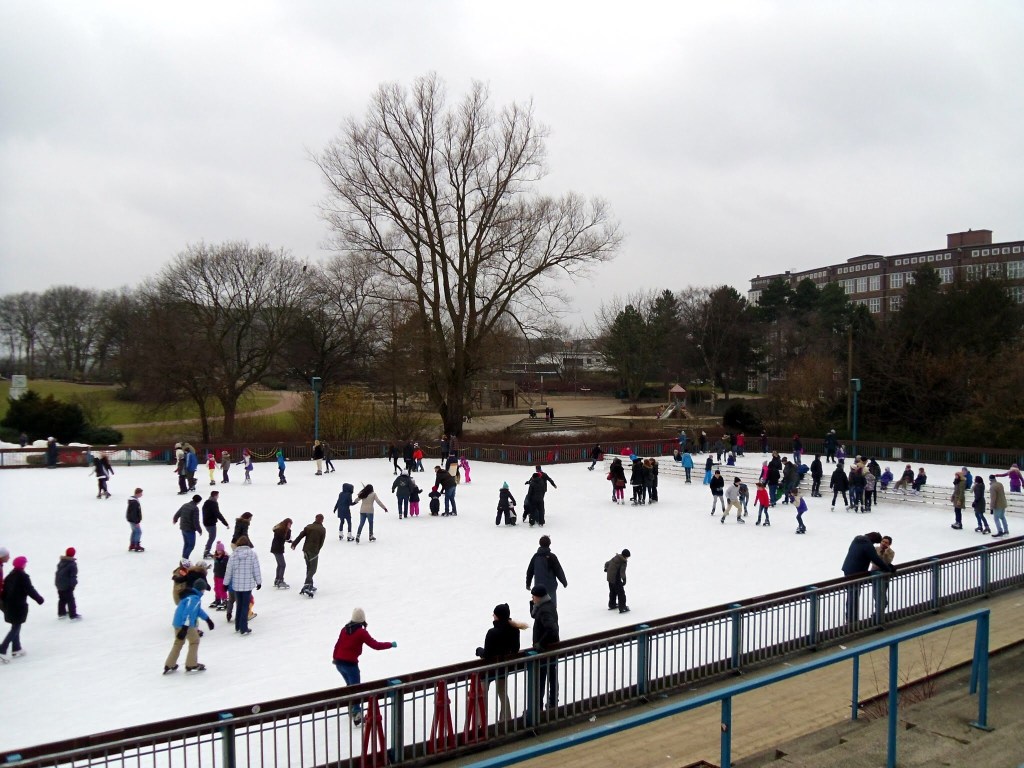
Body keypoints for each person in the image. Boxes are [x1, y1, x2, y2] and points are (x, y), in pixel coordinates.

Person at [332, 607, 397, 724]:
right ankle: (356, 714)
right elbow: (375, 645)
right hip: (350, 665)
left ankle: (351, 707)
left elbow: (337, 645)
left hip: (339, 663)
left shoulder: (344, 629)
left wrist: (335, 658)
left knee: (351, 686)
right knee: (356, 689)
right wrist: (390, 644)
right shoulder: (361, 632)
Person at [475, 603, 526, 722]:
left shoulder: (492, 633)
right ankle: (507, 720)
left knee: (482, 694)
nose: (493, 615)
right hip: (503, 668)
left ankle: (481, 722)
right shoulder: (514, 630)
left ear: (498, 616)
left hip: (488, 670)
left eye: (494, 614)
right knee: (502, 692)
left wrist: (478, 650)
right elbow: (515, 649)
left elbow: (487, 654)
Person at [841, 532, 896, 623]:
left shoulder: (857, 539)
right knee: (853, 596)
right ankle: (852, 620)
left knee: (851, 595)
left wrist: (888, 565)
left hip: (848, 570)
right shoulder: (868, 545)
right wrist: (888, 569)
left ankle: (851, 619)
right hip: (857, 573)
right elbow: (876, 559)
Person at [164, 578, 214, 674]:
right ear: (201, 589)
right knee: (194, 641)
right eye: (203, 590)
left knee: (178, 642)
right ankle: (191, 664)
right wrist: (185, 628)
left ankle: (169, 664)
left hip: (177, 622)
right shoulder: (194, 599)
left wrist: (207, 619)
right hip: (185, 624)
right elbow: (188, 613)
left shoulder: (189, 596)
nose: (204, 592)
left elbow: (198, 610)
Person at [0, 556, 45, 660]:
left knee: (16, 625)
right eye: (25, 563)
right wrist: (39, 599)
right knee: (16, 627)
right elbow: (30, 589)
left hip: (9, 605)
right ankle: (2, 649)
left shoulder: (10, 576)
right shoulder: (23, 576)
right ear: (22, 565)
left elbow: (4, 591)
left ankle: (16, 648)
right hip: (18, 605)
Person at [529, 585, 560, 709]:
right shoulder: (547, 604)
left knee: (542, 678)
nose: (532, 598)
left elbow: (552, 629)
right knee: (551, 675)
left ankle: (539, 706)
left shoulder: (545, 610)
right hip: (550, 648)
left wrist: (540, 643)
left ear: (539, 597)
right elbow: (535, 615)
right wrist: (532, 604)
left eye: (533, 596)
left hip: (546, 650)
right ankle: (552, 702)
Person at [224, 535, 261, 635]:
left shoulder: (233, 555)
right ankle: (243, 628)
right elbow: (256, 569)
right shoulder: (252, 554)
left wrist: (226, 583)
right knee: (245, 605)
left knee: (239, 605)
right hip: (247, 585)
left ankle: (237, 626)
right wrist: (258, 582)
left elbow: (229, 571)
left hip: (236, 585)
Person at [526, 535, 568, 608]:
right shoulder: (552, 557)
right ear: (549, 544)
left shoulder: (535, 557)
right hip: (550, 587)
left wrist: (528, 584)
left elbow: (530, 571)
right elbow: (558, 570)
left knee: (539, 607)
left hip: (538, 588)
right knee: (551, 607)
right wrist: (564, 582)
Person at [291, 514, 327, 596]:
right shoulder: (322, 529)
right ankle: (307, 585)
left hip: (305, 550)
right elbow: (321, 542)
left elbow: (300, 536)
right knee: (313, 569)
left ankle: (310, 584)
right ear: (322, 520)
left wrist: (294, 544)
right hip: (313, 551)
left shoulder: (309, 527)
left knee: (309, 567)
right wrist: (317, 550)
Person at [173, 494, 203, 560]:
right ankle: (185, 559)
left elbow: (178, 513)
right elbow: (196, 521)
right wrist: (199, 530)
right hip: (190, 529)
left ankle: (184, 558)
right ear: (198, 501)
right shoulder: (195, 508)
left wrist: (175, 519)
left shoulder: (185, 505)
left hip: (183, 528)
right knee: (191, 545)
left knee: (186, 544)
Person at [54, 547, 81, 620]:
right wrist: (73, 585)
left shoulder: (61, 562)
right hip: (67, 585)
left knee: (62, 599)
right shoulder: (72, 564)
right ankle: (73, 615)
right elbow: (73, 576)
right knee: (70, 600)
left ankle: (61, 613)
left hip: (59, 584)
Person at [201, 491, 229, 559]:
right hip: (210, 523)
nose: (218, 497)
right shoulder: (214, 503)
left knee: (211, 537)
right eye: (217, 495)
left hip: (205, 522)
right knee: (212, 537)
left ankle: (207, 551)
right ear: (215, 496)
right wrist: (225, 523)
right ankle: (206, 552)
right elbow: (218, 514)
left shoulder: (206, 502)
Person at [605, 549, 631, 613]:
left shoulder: (616, 557)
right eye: (628, 556)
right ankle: (622, 607)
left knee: (613, 591)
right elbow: (622, 572)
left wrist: (606, 568)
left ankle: (612, 604)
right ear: (626, 556)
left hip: (609, 577)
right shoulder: (623, 561)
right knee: (621, 593)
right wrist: (624, 579)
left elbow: (607, 563)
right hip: (615, 578)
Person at [270, 518, 293, 589]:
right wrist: (289, 531)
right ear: (286, 523)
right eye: (289, 524)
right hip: (278, 549)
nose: (290, 526)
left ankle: (277, 580)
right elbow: (285, 537)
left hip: (276, 548)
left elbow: (284, 538)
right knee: (283, 565)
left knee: (280, 565)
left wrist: (289, 541)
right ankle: (280, 581)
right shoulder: (281, 530)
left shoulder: (280, 529)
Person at [210, 542, 230, 609]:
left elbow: (227, 567)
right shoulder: (215, 556)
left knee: (222, 589)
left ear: (223, 550)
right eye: (218, 550)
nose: (219, 551)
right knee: (216, 588)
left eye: (220, 550)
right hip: (216, 575)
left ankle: (225, 601)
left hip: (222, 576)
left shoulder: (225, 557)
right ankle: (217, 600)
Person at [126, 487, 145, 552]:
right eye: (141, 493)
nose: (142, 495)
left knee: (134, 531)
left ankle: (132, 544)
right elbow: (134, 513)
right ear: (138, 493)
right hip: (133, 520)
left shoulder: (133, 500)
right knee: (138, 532)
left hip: (131, 519)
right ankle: (136, 545)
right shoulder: (134, 502)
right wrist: (136, 522)